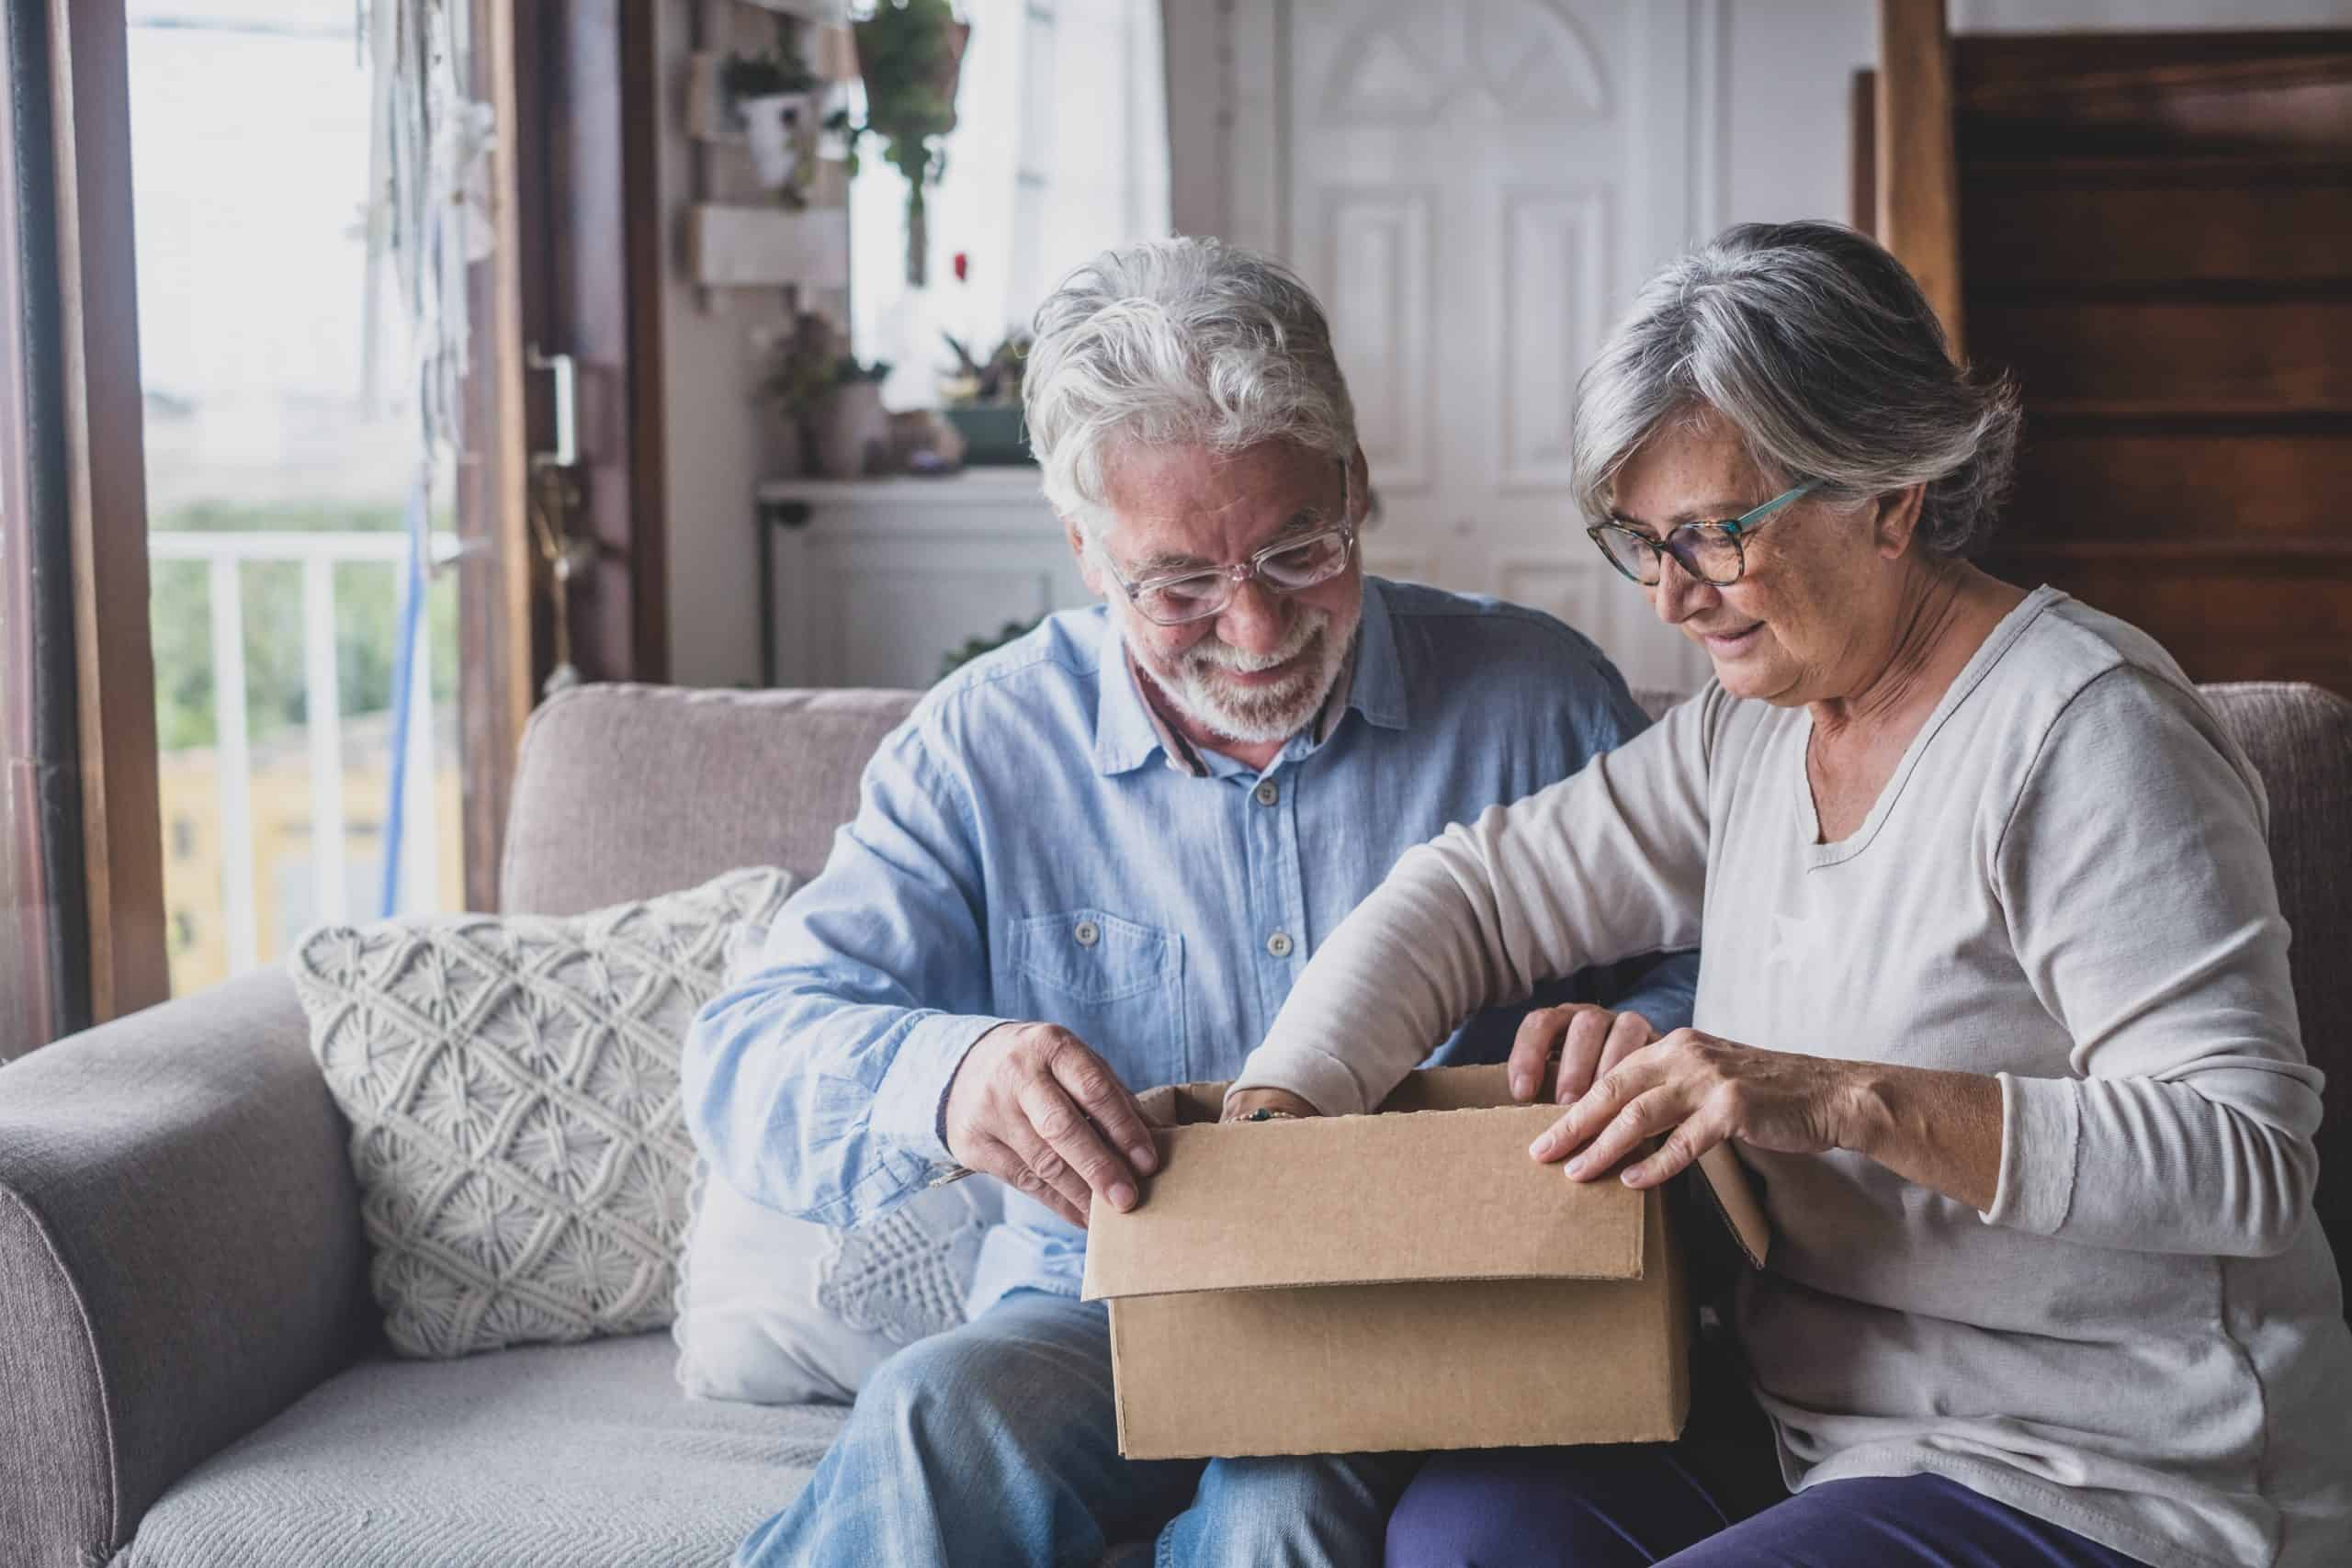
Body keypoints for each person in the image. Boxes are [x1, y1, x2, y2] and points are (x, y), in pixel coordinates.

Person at [1227, 220, 2352, 1568]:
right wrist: (1280, 1109)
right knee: (1461, 1537)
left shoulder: (2086, 734)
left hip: (2101, 1468)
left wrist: (1838, 1095)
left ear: (1892, 492)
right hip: (1819, 1431)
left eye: (1711, 535)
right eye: (1638, 541)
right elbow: (1474, 894)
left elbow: (2247, 1164)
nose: (1672, 598)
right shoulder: (1747, 732)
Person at [684, 235, 1698, 1568]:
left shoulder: (1534, 702)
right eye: (1180, 584)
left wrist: (1648, 1031)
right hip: (1089, 1312)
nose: (1258, 630)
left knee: (1284, 1510)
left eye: (1296, 553)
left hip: (1422, 1307)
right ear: (1087, 553)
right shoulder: (983, 748)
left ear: (1357, 487)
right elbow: (748, 1053)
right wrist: (952, 1072)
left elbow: (1735, 975)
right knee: (934, 1414)